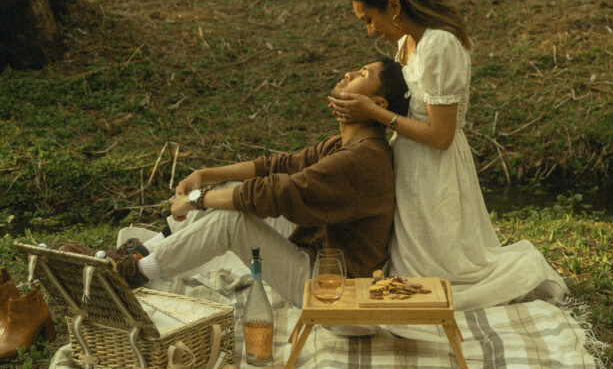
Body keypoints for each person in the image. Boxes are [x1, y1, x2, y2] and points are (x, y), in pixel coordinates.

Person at [328, 0, 568, 311]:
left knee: (439, 275)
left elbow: (441, 135)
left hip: (434, 167)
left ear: (393, 6)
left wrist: (377, 116)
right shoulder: (407, 42)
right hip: (410, 163)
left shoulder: (440, 45)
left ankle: (525, 271)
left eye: (370, 19)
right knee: (411, 273)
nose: (370, 30)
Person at [97, 58, 408, 308]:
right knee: (228, 193)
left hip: (332, 290)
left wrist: (196, 199)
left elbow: (277, 192)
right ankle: (140, 253)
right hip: (316, 253)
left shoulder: (360, 160)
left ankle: (136, 274)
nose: (348, 72)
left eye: (362, 74)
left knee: (231, 219)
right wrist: (207, 175)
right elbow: (277, 166)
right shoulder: (346, 145)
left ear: (377, 104)